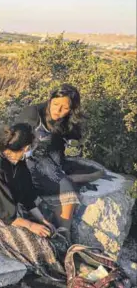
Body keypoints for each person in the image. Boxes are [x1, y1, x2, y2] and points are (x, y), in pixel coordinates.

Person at [0, 123, 67, 278]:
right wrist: (30, 225)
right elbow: (5, 214)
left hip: (12, 208)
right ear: (26, 147)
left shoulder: (18, 163)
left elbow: (27, 195)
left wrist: (42, 220)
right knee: (38, 245)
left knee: (48, 230)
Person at [16, 84, 103, 242]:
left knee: (71, 183)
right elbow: (15, 143)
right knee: (63, 181)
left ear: (72, 109)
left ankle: (64, 234)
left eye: (65, 108)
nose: (58, 110)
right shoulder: (33, 113)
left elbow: (72, 143)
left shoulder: (69, 120)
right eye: (55, 104)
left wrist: (73, 145)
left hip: (50, 159)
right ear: (50, 100)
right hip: (27, 159)